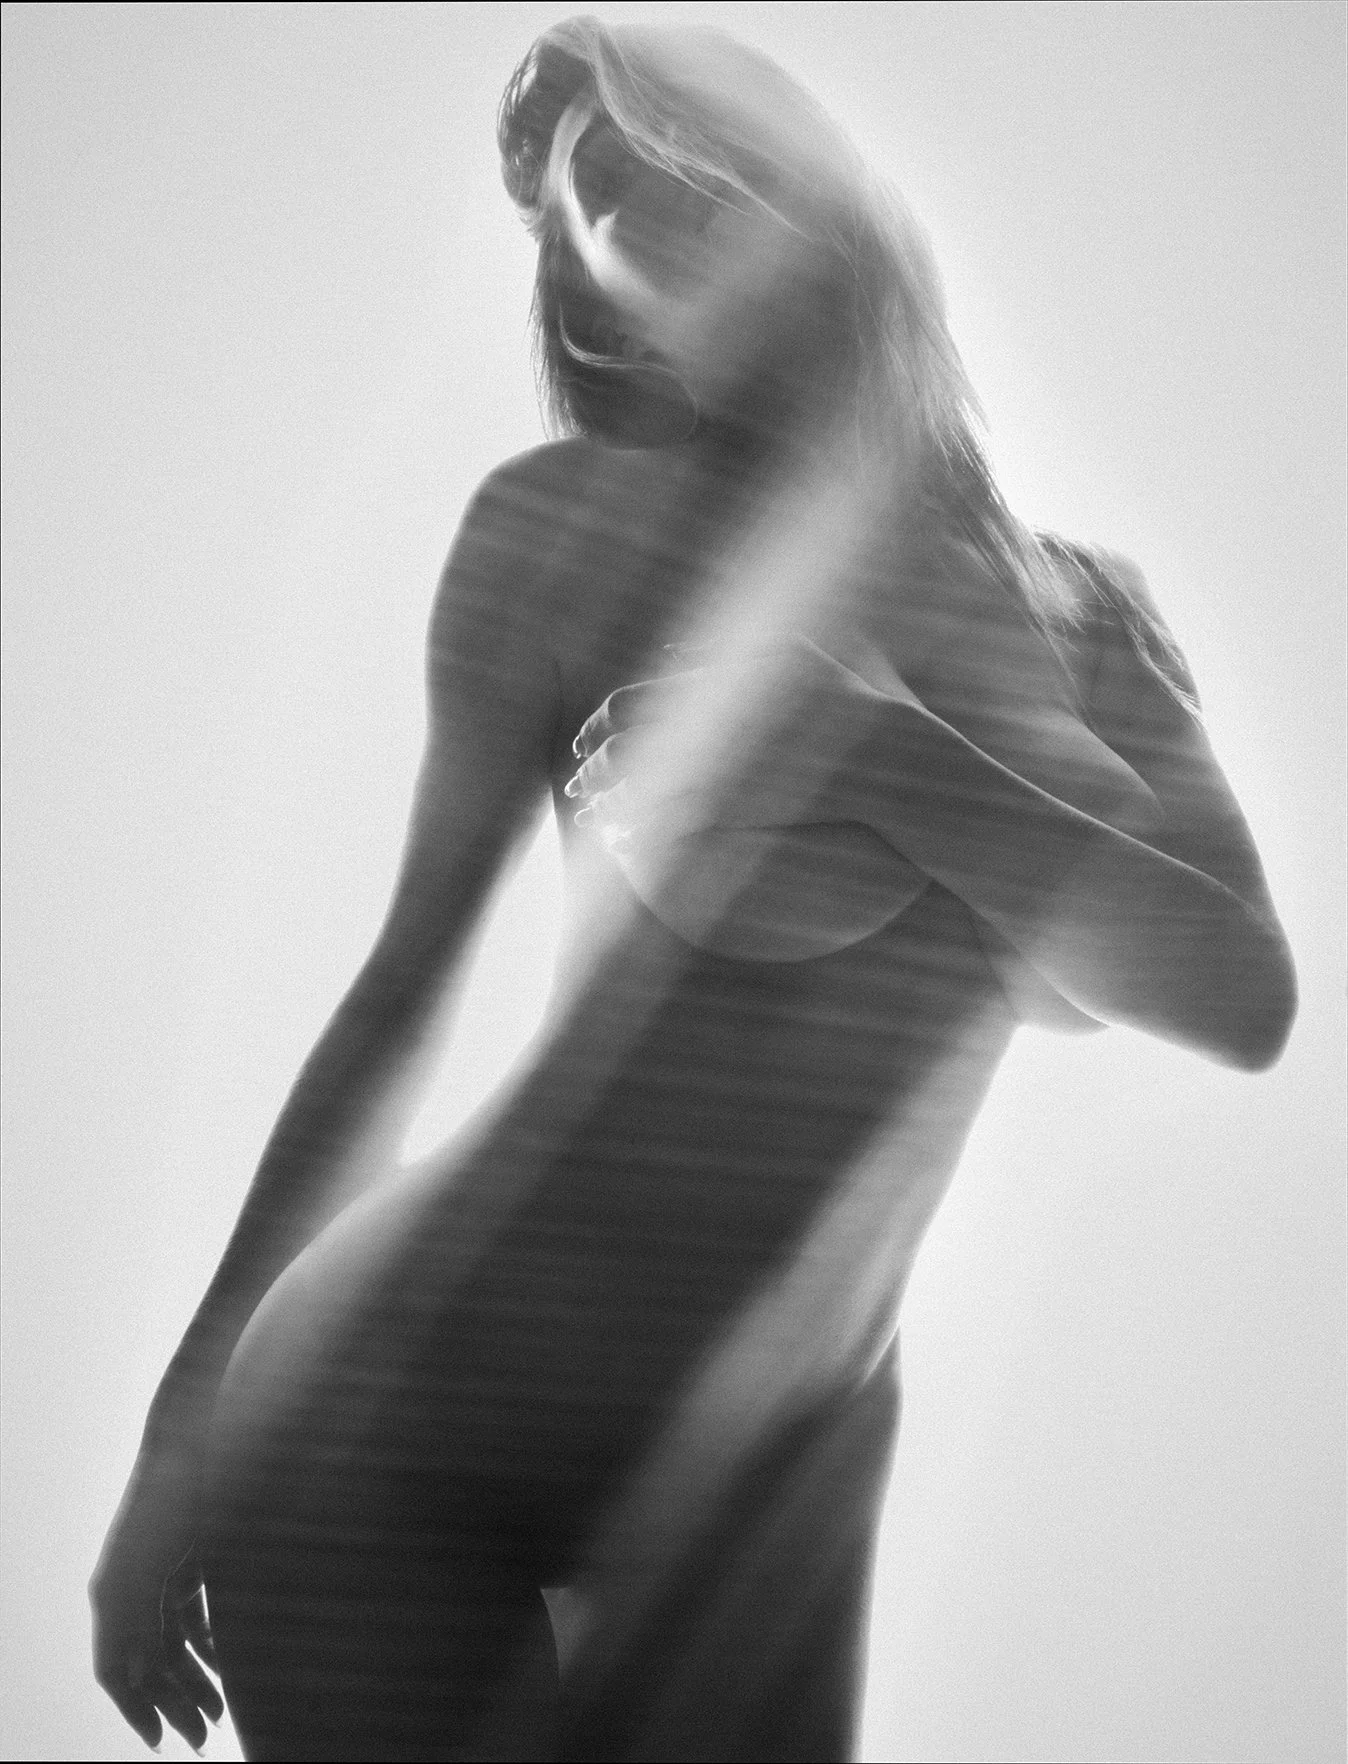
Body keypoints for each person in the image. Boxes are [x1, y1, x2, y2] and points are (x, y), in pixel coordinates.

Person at [89, 19, 1296, 1762]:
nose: (652, 194)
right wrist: (177, 1439)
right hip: (387, 1431)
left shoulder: (1086, 620)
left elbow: (1239, 993)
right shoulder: (561, 534)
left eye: (684, 142)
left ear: (815, 183)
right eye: (606, 191)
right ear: (598, 300)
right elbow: (401, 1002)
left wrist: (868, 750)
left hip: (771, 1483)